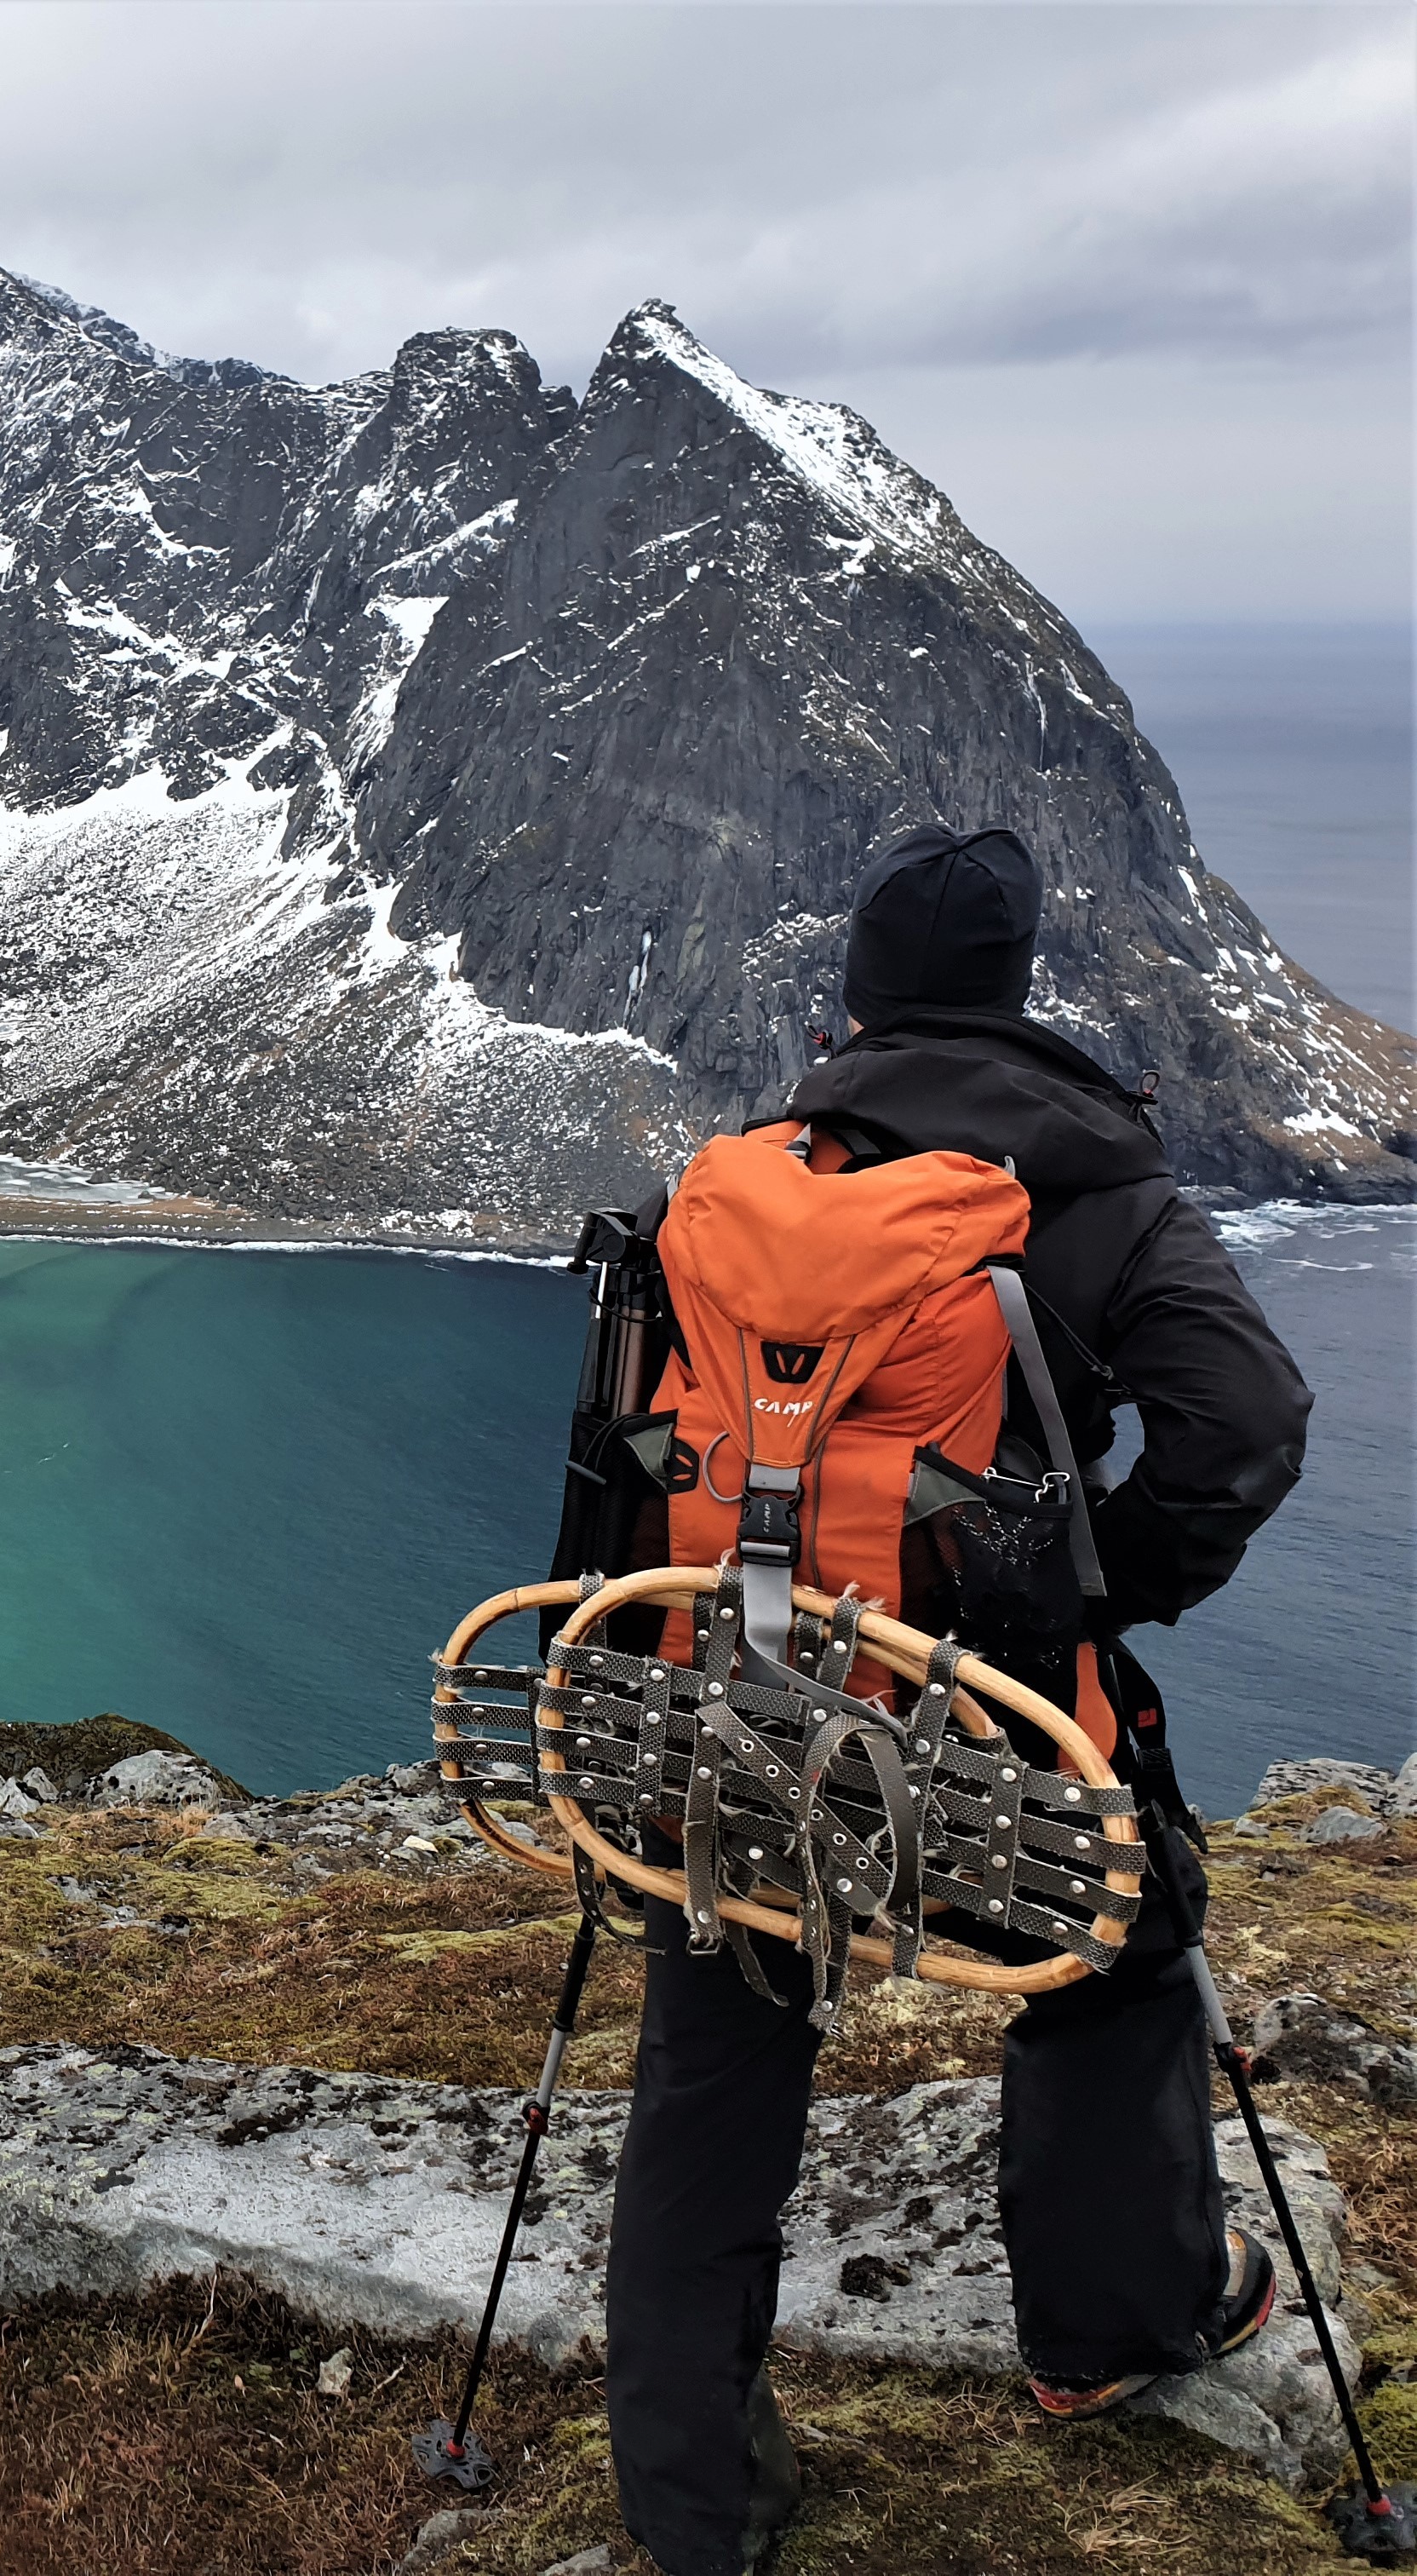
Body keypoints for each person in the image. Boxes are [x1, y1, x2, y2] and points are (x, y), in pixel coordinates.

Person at [600, 825, 1312, 2576]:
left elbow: (628, 1448)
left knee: (718, 2042)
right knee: (1121, 1951)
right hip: (984, 1736)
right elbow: (1248, 1422)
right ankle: (1111, 2335)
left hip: (735, 1711)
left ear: (857, 993)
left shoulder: (743, 1183)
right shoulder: (1094, 1188)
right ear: (1016, 989)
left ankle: (693, 2508)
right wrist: (1101, 1584)